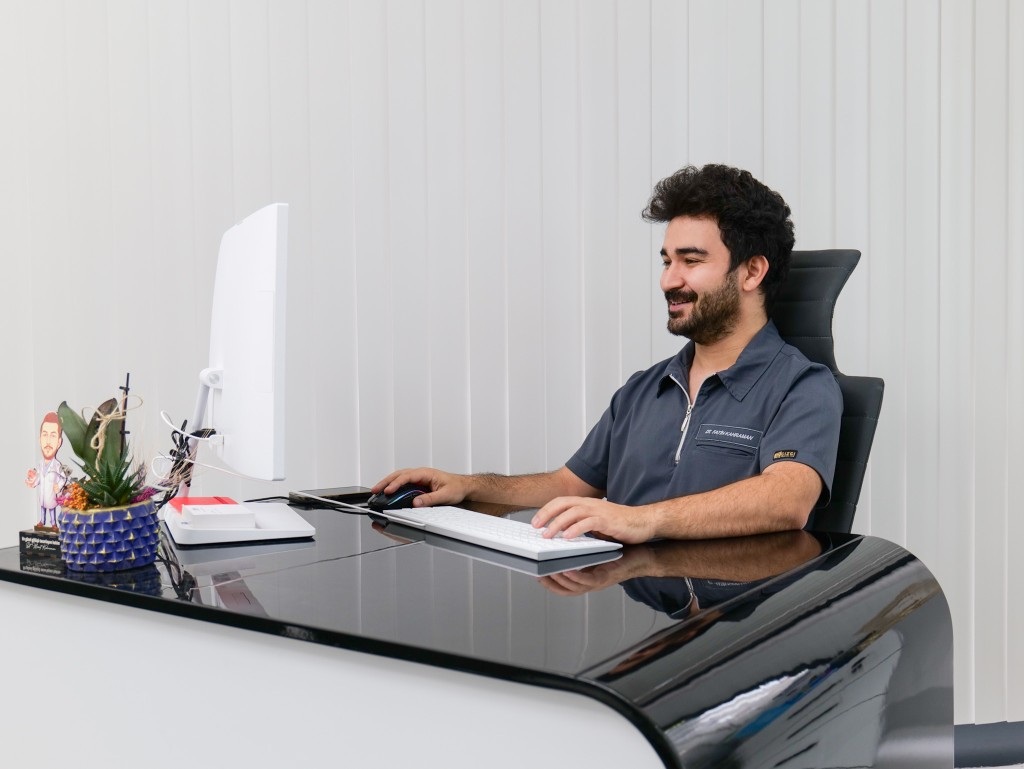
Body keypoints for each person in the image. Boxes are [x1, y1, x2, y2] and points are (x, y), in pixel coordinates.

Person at [374, 164, 842, 543]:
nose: (668, 280)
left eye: (691, 260)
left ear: (752, 271)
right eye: (666, 260)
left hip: (722, 632)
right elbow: (568, 485)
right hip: (629, 610)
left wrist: (642, 519)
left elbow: (787, 499)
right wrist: (470, 486)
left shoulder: (803, 387)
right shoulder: (644, 389)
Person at [25, 411, 68, 532]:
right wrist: (32, 479)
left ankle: (53, 524)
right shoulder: (39, 464)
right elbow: (37, 479)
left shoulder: (58, 466)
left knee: (51, 509)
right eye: (45, 435)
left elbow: (64, 478)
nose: (48, 441)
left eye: (53, 435)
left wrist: (58, 486)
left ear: (59, 442)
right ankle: (42, 521)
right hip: (43, 496)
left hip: (51, 496)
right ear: (39, 439)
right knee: (43, 508)